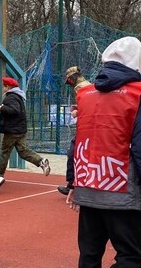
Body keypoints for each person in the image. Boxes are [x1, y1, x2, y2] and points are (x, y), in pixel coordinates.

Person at [66, 36, 141, 268]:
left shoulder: (86, 94)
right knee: (130, 255)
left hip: (88, 185)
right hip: (122, 190)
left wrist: (72, 182)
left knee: (89, 255)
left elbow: (77, 142)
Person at [0, 76, 51, 177]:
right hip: (20, 130)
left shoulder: (11, 97)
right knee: (22, 151)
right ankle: (41, 161)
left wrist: (2, 108)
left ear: (8, 87)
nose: (3, 88)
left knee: (4, 153)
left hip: (12, 131)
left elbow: (14, 110)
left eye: (4, 86)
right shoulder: (18, 96)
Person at [58, 65, 90, 196]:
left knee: (72, 154)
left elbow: (89, 108)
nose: (69, 83)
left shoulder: (81, 88)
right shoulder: (86, 86)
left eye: (70, 80)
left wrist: (77, 111)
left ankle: (72, 184)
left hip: (85, 128)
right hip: (87, 127)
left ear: (73, 78)